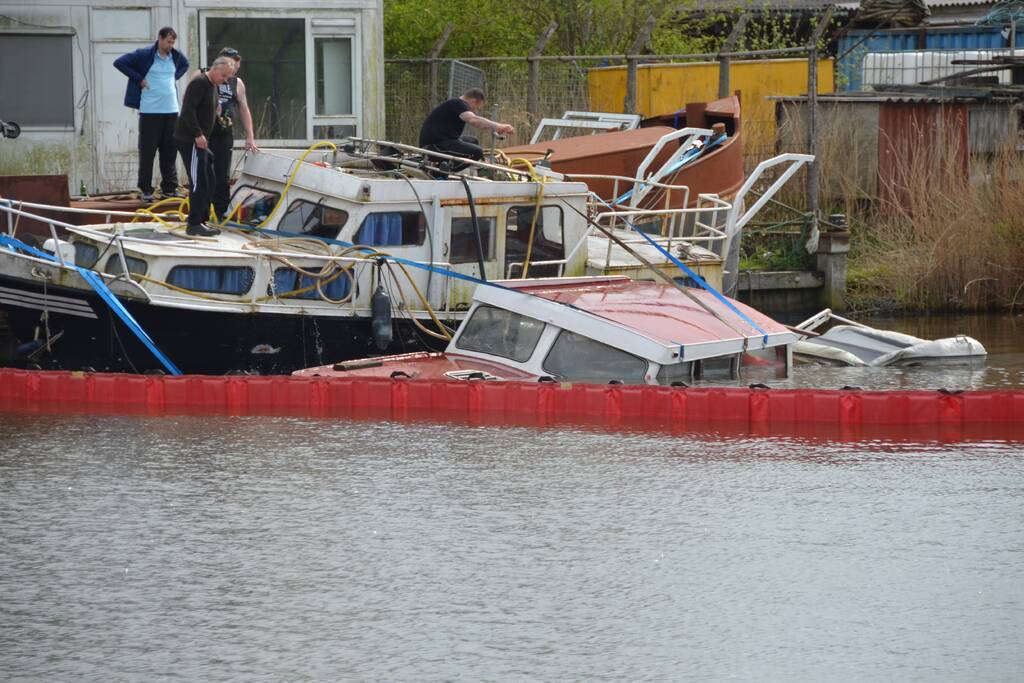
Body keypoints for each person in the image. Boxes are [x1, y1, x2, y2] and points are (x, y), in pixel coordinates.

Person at [114, 27, 189, 202]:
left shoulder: (175, 56)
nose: (171, 45)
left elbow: (185, 64)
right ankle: (145, 189)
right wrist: (139, 79)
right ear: (160, 39)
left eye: (173, 42)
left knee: (169, 151)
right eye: (168, 42)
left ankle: (169, 188)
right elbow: (120, 62)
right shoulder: (145, 54)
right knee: (148, 152)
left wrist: (173, 78)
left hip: (171, 110)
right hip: (150, 111)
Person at [191, 47, 259, 221]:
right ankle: (201, 214)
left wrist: (250, 136)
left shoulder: (237, 83)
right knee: (203, 174)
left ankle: (221, 213)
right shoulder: (202, 75)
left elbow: (244, 109)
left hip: (223, 133)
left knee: (222, 176)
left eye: (236, 68)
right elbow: (189, 102)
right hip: (203, 134)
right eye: (231, 66)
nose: (233, 71)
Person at [174, 58, 235, 237]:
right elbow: (187, 111)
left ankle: (203, 219)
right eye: (223, 76)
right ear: (215, 69)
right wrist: (197, 134)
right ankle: (193, 223)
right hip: (190, 139)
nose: (224, 80)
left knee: (210, 179)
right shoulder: (200, 83)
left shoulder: (213, 86)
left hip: (202, 141)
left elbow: (208, 107)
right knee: (198, 181)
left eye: (228, 77)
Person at [418, 88, 515, 161]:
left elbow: (479, 123)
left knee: (473, 141)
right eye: (477, 108)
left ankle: (452, 167)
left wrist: (493, 127)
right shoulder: (458, 104)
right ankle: (442, 173)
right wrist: (498, 126)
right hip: (433, 147)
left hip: (440, 142)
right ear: (473, 101)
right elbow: (474, 120)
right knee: (476, 152)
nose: (475, 111)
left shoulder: (455, 104)